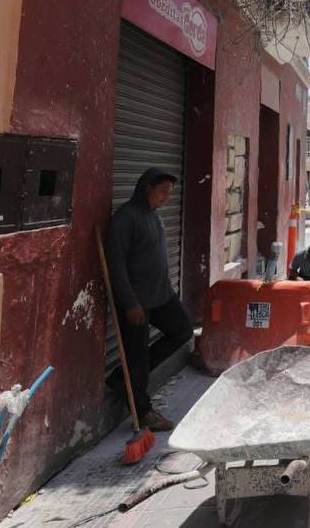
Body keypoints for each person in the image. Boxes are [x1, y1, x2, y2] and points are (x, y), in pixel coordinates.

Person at [104, 167, 193, 431]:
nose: (166, 197)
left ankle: (122, 378)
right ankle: (143, 412)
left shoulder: (153, 217)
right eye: (162, 191)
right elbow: (116, 265)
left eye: (170, 192)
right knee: (137, 357)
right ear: (147, 189)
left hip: (161, 295)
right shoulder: (125, 218)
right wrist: (130, 303)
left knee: (182, 330)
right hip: (136, 301)